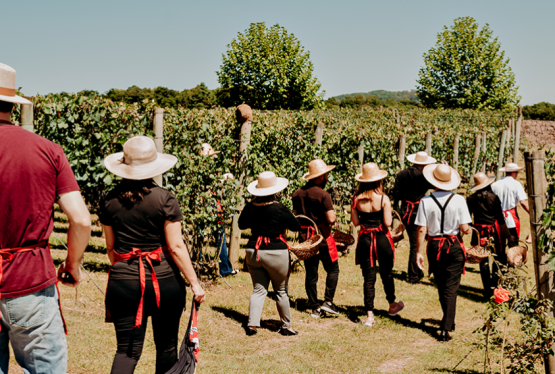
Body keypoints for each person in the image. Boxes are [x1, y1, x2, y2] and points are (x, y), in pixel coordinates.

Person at [0, 62, 91, 373]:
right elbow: (80, 219)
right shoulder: (47, 150)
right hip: (31, 284)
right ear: (12, 104)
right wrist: (73, 265)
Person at [101, 136, 205, 374]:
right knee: (166, 348)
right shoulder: (165, 198)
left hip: (123, 282)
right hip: (165, 281)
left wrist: (126, 271)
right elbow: (176, 247)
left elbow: (110, 248)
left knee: (126, 351)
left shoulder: (108, 200)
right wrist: (195, 284)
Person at [238, 171, 301, 336]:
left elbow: (241, 225)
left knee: (258, 289)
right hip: (276, 252)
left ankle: (252, 325)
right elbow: (296, 226)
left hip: (254, 252)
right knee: (281, 290)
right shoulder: (279, 208)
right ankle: (286, 326)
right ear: (275, 190)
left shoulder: (250, 207)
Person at [415, 163, 471, 342]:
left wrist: (418, 252)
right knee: (452, 286)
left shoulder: (425, 201)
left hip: (434, 245)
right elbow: (464, 228)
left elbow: (421, 229)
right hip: (453, 245)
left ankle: (448, 320)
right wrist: (467, 229)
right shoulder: (460, 200)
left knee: (441, 284)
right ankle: (447, 327)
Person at [351, 163, 405, 327]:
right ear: (378, 181)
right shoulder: (383, 199)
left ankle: (369, 315)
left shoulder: (356, 200)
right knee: (387, 274)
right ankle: (391, 306)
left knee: (369, 277)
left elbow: (355, 222)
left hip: (365, 239)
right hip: (382, 239)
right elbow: (388, 222)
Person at [292, 159, 340, 318]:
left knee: (311, 273)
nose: (327, 177)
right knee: (333, 269)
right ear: (319, 177)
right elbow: (331, 219)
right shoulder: (323, 195)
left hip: (307, 239)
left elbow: (296, 215)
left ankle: (314, 307)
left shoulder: (297, 194)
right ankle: (328, 302)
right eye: (325, 175)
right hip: (322, 237)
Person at [467, 172, 515, 299]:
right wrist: (509, 235)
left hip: (478, 233)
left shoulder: (471, 199)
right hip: (494, 232)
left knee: (482, 260)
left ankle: (486, 289)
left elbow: (467, 219)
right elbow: (500, 220)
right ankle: (494, 287)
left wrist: (474, 227)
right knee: (497, 259)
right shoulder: (494, 198)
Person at [393, 151, 435, 284]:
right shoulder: (424, 176)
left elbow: (396, 195)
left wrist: (397, 212)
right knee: (415, 245)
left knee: (414, 243)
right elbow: (436, 185)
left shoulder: (401, 174)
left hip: (405, 211)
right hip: (418, 212)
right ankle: (413, 276)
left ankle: (418, 271)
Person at [199, 143, 237, 276]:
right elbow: (211, 186)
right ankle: (225, 268)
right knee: (220, 237)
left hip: (202, 205)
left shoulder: (197, 169)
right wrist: (224, 179)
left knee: (200, 236)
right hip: (212, 205)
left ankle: (198, 262)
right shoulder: (206, 170)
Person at [491, 163, 530, 250]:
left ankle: (498, 262)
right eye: (517, 173)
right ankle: (513, 262)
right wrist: (531, 214)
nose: (517, 175)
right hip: (511, 219)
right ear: (513, 172)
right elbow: (523, 203)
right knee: (513, 246)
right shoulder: (516, 184)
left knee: (498, 245)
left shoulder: (495, 185)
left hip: (497, 219)